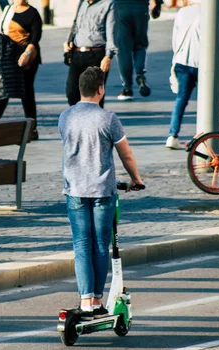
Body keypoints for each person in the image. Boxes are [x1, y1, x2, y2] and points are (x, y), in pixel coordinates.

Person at [59, 67, 144, 320]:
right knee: (99, 245)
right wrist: (136, 179)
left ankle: (85, 300)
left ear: (79, 89)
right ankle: (97, 299)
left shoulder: (65, 116)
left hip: (74, 188)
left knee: (82, 244)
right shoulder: (108, 118)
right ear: (101, 89)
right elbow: (125, 153)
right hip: (102, 191)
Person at [0, 0, 42, 139]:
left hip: (27, 57)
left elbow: (36, 37)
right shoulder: (8, 10)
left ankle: (32, 128)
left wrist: (27, 54)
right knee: (3, 88)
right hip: (8, 55)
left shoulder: (32, 13)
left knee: (26, 92)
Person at [64, 0, 117, 108]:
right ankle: (79, 120)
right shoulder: (82, 2)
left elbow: (112, 31)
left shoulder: (109, 4)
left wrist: (108, 56)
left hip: (97, 54)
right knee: (71, 92)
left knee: (95, 95)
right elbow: (76, 24)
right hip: (77, 53)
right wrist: (69, 40)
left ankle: (96, 123)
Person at [166, 0, 200, 150]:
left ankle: (172, 135)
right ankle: (212, 130)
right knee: (209, 99)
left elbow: (175, 39)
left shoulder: (182, 12)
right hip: (202, 62)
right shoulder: (210, 13)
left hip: (181, 60)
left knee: (181, 99)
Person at [114, 0, 162, 101]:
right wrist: (158, 5)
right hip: (141, 8)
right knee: (140, 45)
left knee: (123, 50)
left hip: (121, 8)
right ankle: (140, 74)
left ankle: (127, 88)